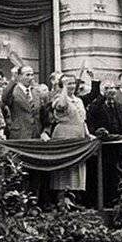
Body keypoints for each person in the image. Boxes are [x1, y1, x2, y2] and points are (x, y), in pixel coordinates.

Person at [50, 74, 94, 203]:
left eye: (73, 83)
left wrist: (87, 134)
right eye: (68, 83)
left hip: (78, 135)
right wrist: (63, 89)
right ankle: (62, 199)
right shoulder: (59, 97)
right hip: (64, 134)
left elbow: (82, 120)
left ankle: (74, 197)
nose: (71, 86)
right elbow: (61, 106)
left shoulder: (78, 100)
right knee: (65, 166)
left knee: (77, 166)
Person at [2, 66, 42, 139]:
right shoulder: (14, 91)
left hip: (36, 135)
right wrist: (13, 79)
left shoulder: (36, 92)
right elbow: (5, 98)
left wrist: (44, 131)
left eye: (32, 75)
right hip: (20, 135)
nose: (31, 78)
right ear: (20, 76)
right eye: (27, 75)